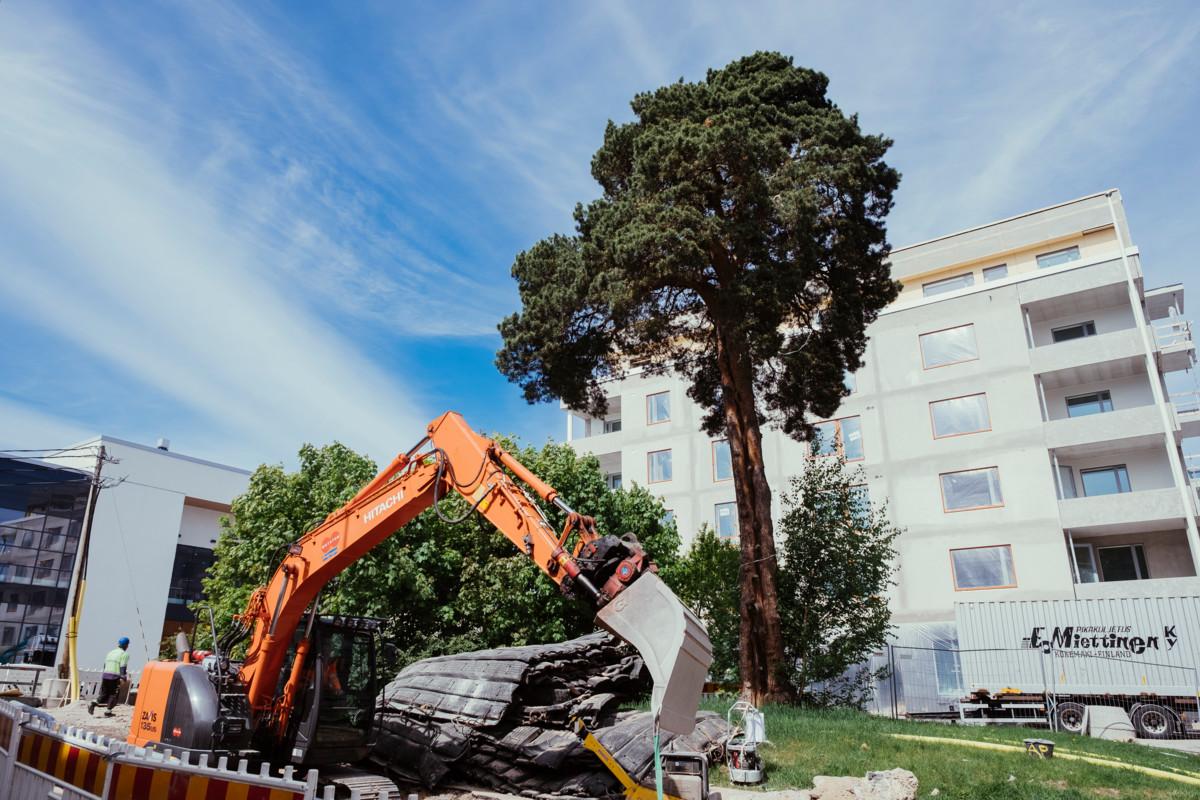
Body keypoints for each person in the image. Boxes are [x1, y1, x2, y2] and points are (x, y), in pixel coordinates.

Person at [89, 636, 130, 717]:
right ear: (126, 645)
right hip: (114, 677)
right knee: (113, 694)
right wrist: (123, 677)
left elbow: (105, 665)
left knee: (104, 694)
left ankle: (93, 703)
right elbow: (123, 666)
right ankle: (108, 712)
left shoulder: (110, 652)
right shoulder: (124, 654)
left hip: (105, 675)